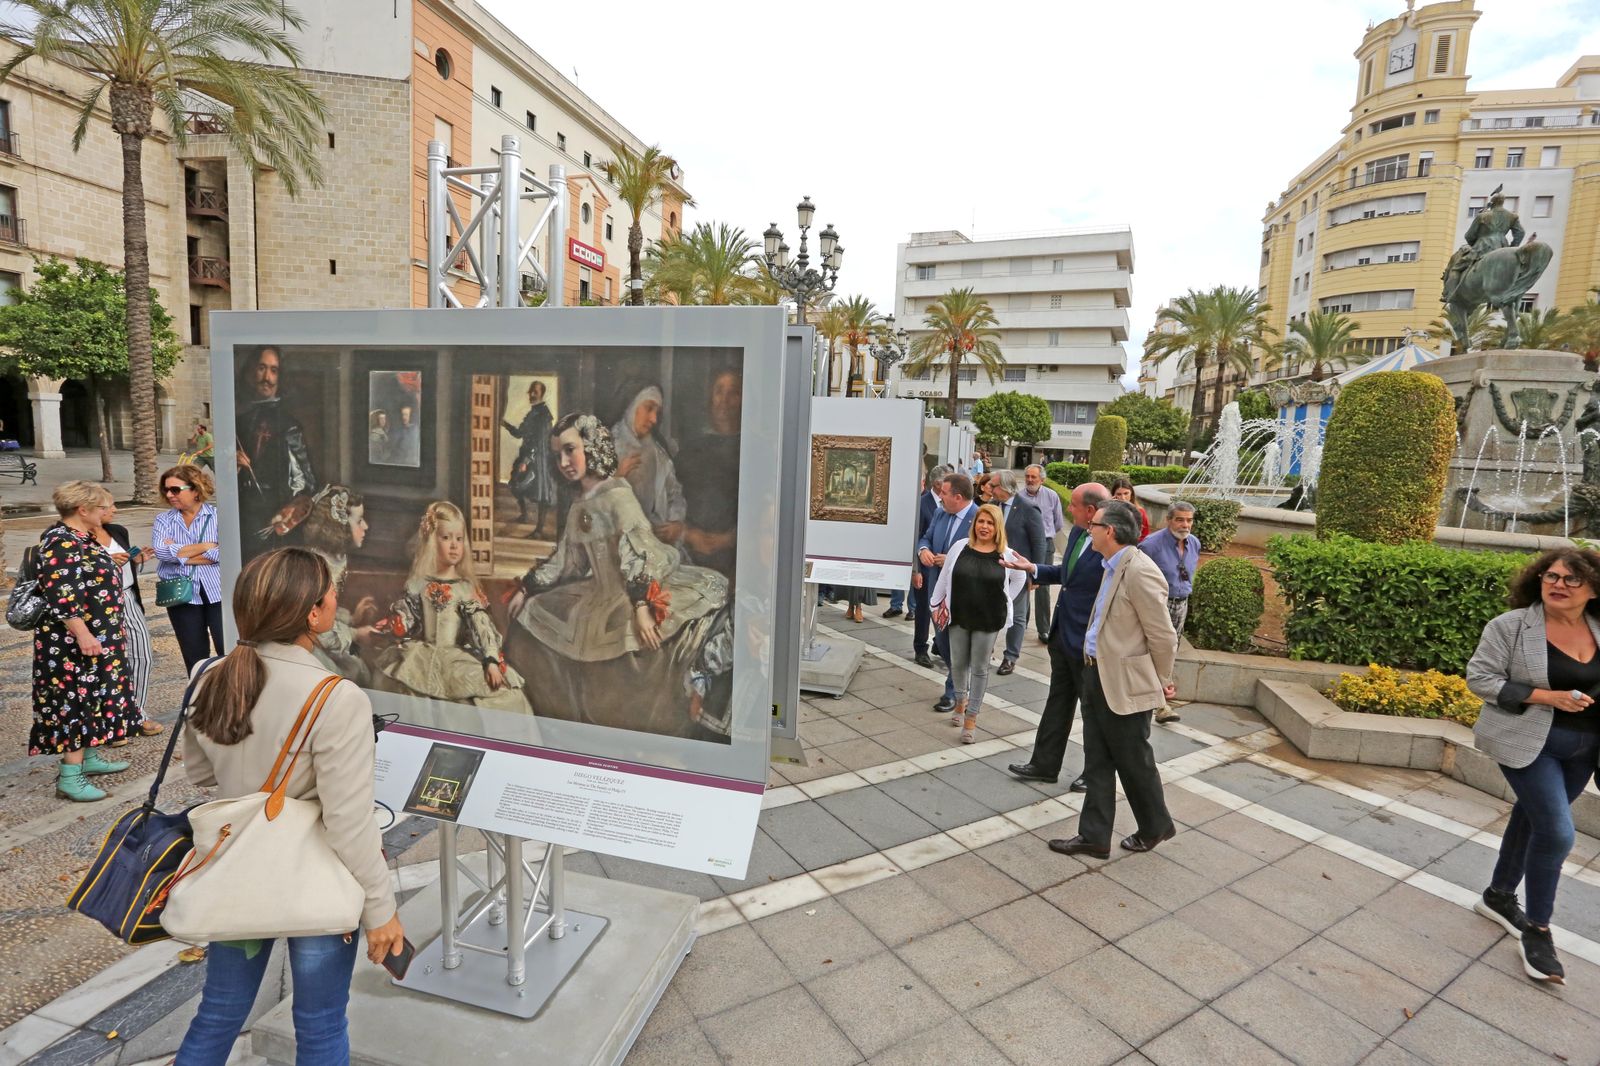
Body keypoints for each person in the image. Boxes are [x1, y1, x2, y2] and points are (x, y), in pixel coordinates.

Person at [176, 548, 405, 1064]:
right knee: (321, 1024)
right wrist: (381, 909)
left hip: (239, 866)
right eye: (331, 592)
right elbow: (348, 823)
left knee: (217, 1014)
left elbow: (201, 774)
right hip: (317, 877)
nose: (335, 599)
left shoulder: (209, 675)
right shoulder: (335, 696)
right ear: (313, 613)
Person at [505, 414, 729, 738]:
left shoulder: (619, 498)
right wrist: (526, 589)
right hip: (600, 593)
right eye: (558, 455)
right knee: (532, 613)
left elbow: (636, 554)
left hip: (637, 586)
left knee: (640, 643)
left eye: (571, 450)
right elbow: (565, 563)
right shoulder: (579, 506)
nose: (565, 461)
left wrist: (641, 607)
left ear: (592, 447)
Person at [1014, 499, 1177, 860]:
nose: (1090, 530)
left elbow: (1163, 637)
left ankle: (1156, 825)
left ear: (1112, 532)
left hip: (1124, 683)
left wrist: (1159, 680)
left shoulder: (1140, 571)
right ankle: (1094, 836)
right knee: (1098, 759)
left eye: (1096, 526)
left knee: (1134, 759)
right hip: (1095, 673)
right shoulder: (1110, 565)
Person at [1465, 547, 1600, 984]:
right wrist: (1547, 696)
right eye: (1551, 575)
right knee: (1557, 834)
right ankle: (1539, 931)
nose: (1558, 584)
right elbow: (1480, 679)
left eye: (1571, 578)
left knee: (1532, 817)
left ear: (1593, 588)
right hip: (1528, 742)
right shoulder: (1511, 626)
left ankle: (1499, 896)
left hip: (1584, 750)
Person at [28, 481, 137, 802]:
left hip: (98, 634)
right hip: (71, 643)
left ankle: (89, 758)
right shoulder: (60, 541)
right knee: (75, 700)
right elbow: (61, 595)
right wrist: (84, 633)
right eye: (104, 507)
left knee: (95, 695)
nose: (110, 512)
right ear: (83, 510)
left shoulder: (82, 537)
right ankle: (70, 777)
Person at [370, 501, 530, 713]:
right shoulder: (418, 583)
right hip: (422, 656)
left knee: (507, 697)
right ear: (431, 542)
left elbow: (481, 626)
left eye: (459, 539)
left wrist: (491, 660)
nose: (454, 545)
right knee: (398, 685)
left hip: (456, 658)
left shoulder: (465, 588)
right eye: (446, 538)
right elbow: (409, 615)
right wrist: (398, 621)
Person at [1006, 482, 1108, 791]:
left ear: (1091, 512)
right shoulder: (1078, 532)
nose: (1068, 510)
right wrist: (1033, 568)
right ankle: (1044, 764)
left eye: (1074, 505)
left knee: (1093, 713)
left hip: (1088, 643)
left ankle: (1094, 774)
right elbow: (1068, 575)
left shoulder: (1111, 541)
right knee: (1058, 702)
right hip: (1063, 636)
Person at [930, 503, 1028, 743]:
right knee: (958, 663)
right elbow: (945, 578)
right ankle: (960, 701)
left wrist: (1005, 601)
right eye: (981, 522)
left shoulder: (1006, 553)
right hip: (959, 615)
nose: (985, 527)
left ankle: (971, 717)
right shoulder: (960, 547)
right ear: (974, 524)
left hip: (989, 618)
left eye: (990, 523)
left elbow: (1020, 577)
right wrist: (935, 606)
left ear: (998, 527)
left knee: (980, 667)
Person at [236, 347, 317, 551]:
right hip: (245, 518)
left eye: (274, 370)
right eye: (262, 368)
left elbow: (305, 482)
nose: (267, 377)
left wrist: (290, 509)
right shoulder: (239, 421)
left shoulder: (289, 424)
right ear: (250, 372)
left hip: (277, 521)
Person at [152, 464, 226, 671]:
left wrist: (178, 553)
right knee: (193, 656)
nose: (169, 495)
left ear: (195, 489)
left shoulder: (218, 516)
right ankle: (197, 699)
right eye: (166, 490)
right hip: (181, 595)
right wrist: (205, 547)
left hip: (218, 592)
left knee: (228, 651)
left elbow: (223, 554)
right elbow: (161, 552)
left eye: (175, 490)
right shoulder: (163, 519)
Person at [98, 501, 161, 739]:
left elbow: (122, 566)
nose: (114, 509)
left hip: (127, 597)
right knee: (104, 663)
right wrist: (108, 563)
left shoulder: (117, 531)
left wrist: (133, 561)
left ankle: (136, 713)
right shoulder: (77, 539)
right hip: (98, 606)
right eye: (107, 506)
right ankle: (109, 722)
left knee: (142, 655)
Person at [301, 484, 375, 684]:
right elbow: (315, 623)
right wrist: (355, 634)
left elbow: (326, 610)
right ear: (340, 525)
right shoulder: (318, 563)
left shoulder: (338, 557)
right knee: (354, 672)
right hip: (309, 643)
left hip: (321, 635)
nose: (365, 526)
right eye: (359, 521)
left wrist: (352, 617)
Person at [1137, 501, 1201, 725]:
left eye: (1189, 520)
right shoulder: (1150, 545)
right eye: (1180, 519)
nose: (1185, 525)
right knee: (1153, 649)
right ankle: (1159, 704)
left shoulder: (1194, 543)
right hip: (1157, 605)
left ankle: (1161, 695)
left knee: (1170, 650)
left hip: (1181, 603)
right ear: (1169, 520)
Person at [920, 473, 977, 714]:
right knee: (942, 640)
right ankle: (959, 682)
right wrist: (923, 549)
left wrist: (954, 560)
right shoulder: (940, 513)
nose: (939, 498)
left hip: (964, 594)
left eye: (944, 493)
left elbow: (990, 555)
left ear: (958, 497)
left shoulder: (981, 518)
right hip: (938, 591)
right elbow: (926, 537)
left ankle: (953, 691)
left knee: (958, 644)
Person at [677, 368, 742, 576]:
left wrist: (729, 539)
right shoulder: (689, 450)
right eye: (719, 391)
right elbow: (671, 499)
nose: (725, 400)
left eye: (733, 392)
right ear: (710, 398)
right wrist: (689, 534)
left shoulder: (755, 449)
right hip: (691, 554)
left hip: (738, 558)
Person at [611, 385, 687, 548]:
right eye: (649, 409)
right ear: (632, 407)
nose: (653, 419)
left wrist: (676, 523)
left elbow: (675, 493)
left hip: (654, 543)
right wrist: (617, 478)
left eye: (657, 412)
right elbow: (588, 506)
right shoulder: (607, 446)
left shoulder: (658, 454)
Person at [989, 470, 1046, 677]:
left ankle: (1010, 656)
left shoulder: (1028, 509)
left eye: (993, 485)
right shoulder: (992, 507)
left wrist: (1035, 574)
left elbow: (1039, 543)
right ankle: (986, 649)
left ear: (1004, 487)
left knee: (1018, 615)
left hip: (1018, 572)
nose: (990, 488)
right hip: (993, 569)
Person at [1018, 465, 1066, 643]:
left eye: (1034, 477)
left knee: (1043, 587)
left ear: (1042, 480)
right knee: (1023, 584)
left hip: (1045, 545)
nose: (1030, 480)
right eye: (1027, 476)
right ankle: (1020, 624)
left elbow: (1058, 523)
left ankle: (1044, 629)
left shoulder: (1051, 496)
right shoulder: (1019, 497)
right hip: (1024, 545)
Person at [910, 465, 952, 667]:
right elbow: (916, 538)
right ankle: (920, 649)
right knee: (924, 611)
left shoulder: (950, 506)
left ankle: (939, 644)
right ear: (938, 484)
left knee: (944, 608)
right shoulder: (922, 504)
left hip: (946, 570)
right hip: (925, 570)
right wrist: (915, 570)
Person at [503, 380, 556, 535]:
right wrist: (504, 424)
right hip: (527, 455)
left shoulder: (544, 415)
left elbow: (541, 441)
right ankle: (525, 515)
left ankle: (539, 529)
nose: (532, 394)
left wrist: (527, 461)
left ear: (541, 394)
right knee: (514, 483)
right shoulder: (533, 413)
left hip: (538, 459)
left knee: (541, 493)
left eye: (535, 392)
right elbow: (520, 433)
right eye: (531, 391)